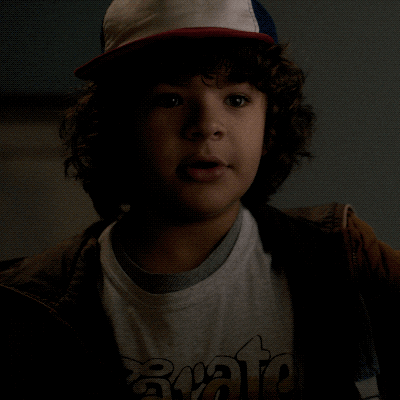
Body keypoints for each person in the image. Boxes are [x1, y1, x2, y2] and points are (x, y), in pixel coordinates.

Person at [1, 0, 399, 398]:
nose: (207, 126)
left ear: (271, 128)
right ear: (118, 127)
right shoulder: (28, 305)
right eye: (170, 99)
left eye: (236, 99)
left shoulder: (342, 258)